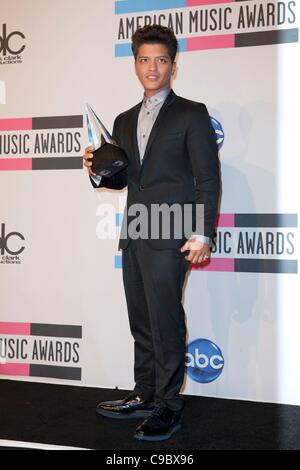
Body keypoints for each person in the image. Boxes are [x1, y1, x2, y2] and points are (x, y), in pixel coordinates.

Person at [83, 25, 220, 442]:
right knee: (141, 321)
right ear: (135, 65)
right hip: (136, 231)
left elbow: (207, 179)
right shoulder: (124, 119)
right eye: (145, 60)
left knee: (164, 321)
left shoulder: (191, 113)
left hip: (173, 231)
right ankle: (144, 394)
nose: (153, 67)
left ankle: (168, 405)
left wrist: (203, 233)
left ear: (174, 66)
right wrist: (95, 169)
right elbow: (124, 180)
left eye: (161, 60)